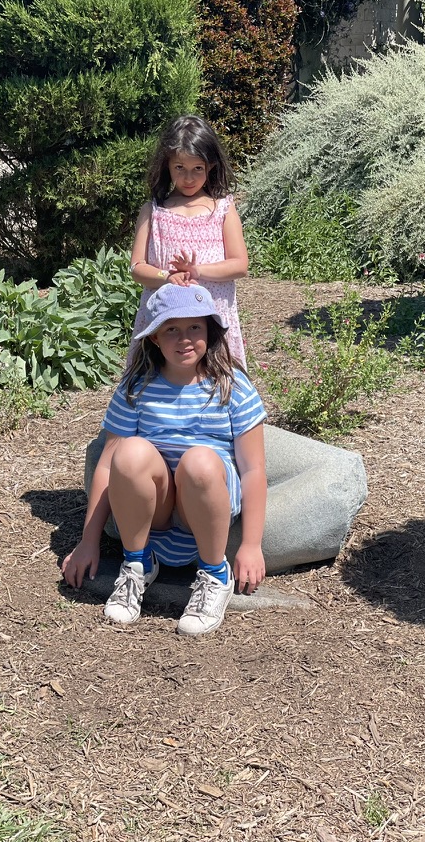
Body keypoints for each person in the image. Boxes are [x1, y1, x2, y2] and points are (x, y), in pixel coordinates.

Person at [61, 283, 267, 636]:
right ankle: (137, 563)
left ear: (210, 331)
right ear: (154, 337)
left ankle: (215, 574)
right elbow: (107, 465)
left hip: (205, 502)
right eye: (171, 329)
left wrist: (250, 545)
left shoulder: (231, 386)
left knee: (199, 461)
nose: (184, 339)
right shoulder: (137, 386)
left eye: (194, 327)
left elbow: (253, 469)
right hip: (153, 512)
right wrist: (88, 541)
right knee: (129, 451)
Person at [129, 114, 248, 367]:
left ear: (211, 166)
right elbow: (137, 267)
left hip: (212, 320)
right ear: (167, 165)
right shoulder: (153, 211)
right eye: (180, 168)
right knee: (160, 380)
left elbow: (239, 265)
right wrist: (166, 276)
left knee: (215, 379)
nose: (189, 178)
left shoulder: (222, 209)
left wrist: (197, 271)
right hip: (165, 323)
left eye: (198, 169)